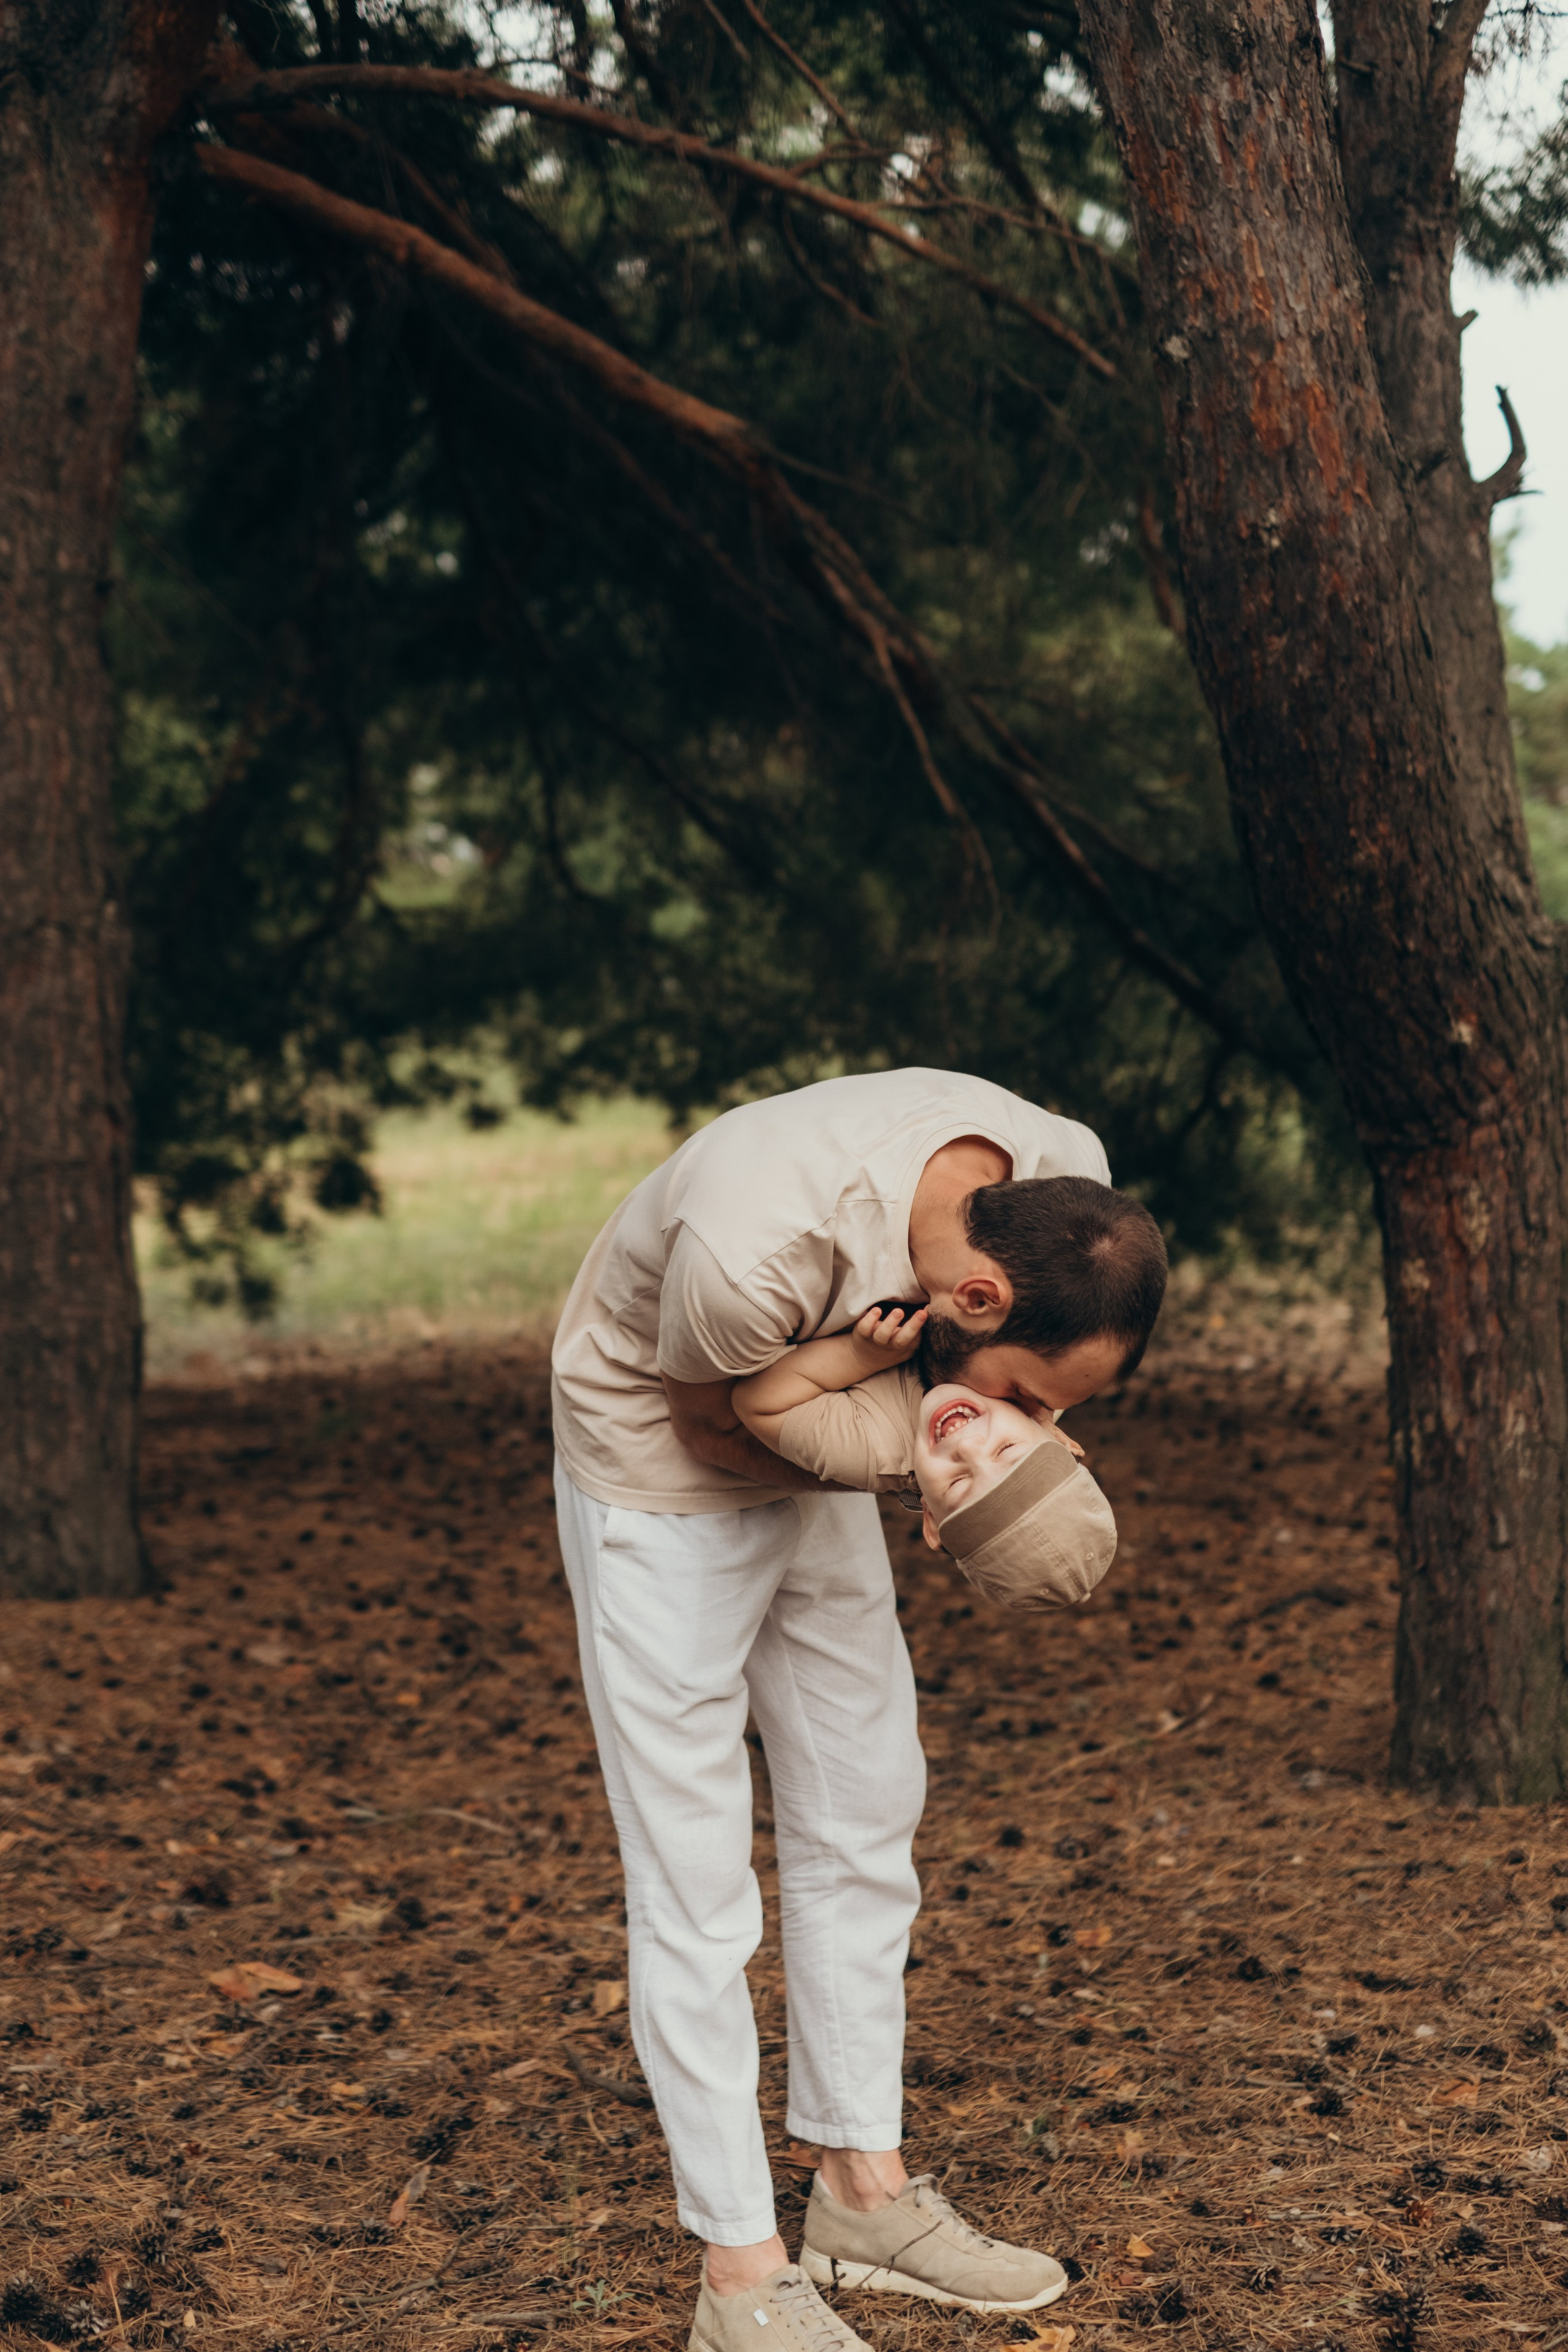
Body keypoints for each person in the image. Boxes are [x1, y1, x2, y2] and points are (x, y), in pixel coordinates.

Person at [549, 1069, 1167, 2352]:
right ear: (974, 1296)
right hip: (663, 1469)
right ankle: (738, 2276)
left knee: (864, 1799)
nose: (1031, 1423)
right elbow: (721, 1426)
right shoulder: (753, 1246)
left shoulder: (1064, 1185)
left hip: (837, 1443)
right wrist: (929, 1471)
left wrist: (987, 1467)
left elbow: (889, 1426)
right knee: (697, 1878)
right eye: (1030, 1398)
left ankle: (860, 2194)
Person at [732, 1303, 1120, 1610]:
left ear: (932, 1520)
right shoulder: (1035, 1384)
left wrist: (858, 1356)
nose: (966, 1447)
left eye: (958, 1483)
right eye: (1007, 1450)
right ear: (1056, 1436)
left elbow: (757, 1404)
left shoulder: (872, 1449)